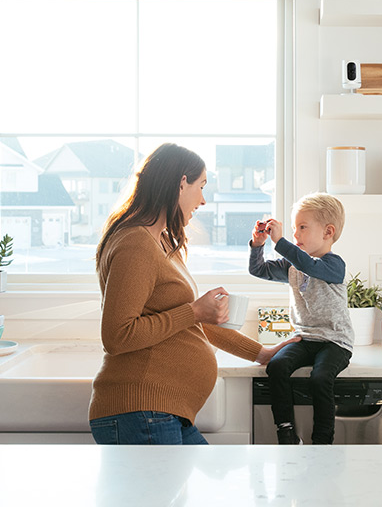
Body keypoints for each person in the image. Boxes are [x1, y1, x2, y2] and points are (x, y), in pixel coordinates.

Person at [89, 143, 297, 445]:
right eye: (200, 186)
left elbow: (191, 323)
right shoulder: (135, 243)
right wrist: (195, 311)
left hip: (160, 412)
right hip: (141, 410)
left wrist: (260, 353)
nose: (202, 200)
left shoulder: (160, 243)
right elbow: (117, 335)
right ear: (180, 183)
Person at [248, 193, 354, 445]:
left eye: (302, 227)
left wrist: (282, 242)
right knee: (277, 367)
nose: (296, 235)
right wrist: (258, 245)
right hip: (304, 338)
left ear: (328, 232)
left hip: (335, 342)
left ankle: (322, 440)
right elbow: (258, 270)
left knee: (320, 378)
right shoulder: (292, 265)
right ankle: (286, 432)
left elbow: (311, 267)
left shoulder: (333, 264)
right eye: (294, 229)